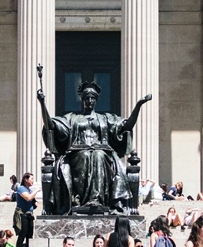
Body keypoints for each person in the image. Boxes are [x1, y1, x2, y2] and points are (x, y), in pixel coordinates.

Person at [37, 79, 151, 215]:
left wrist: (138, 105)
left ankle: (96, 200)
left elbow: (127, 126)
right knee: (85, 155)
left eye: (92, 98)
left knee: (98, 155)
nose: (90, 100)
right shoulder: (72, 118)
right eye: (87, 98)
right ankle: (81, 201)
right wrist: (42, 103)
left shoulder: (105, 118)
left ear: (96, 100)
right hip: (77, 152)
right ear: (82, 100)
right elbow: (51, 125)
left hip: (102, 153)